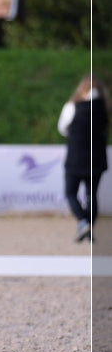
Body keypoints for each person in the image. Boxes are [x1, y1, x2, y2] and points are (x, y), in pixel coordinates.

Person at [57, 75, 109, 242]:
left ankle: (82, 222)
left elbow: (63, 128)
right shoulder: (104, 108)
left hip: (76, 158)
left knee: (70, 192)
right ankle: (87, 229)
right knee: (91, 195)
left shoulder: (72, 106)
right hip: (97, 159)